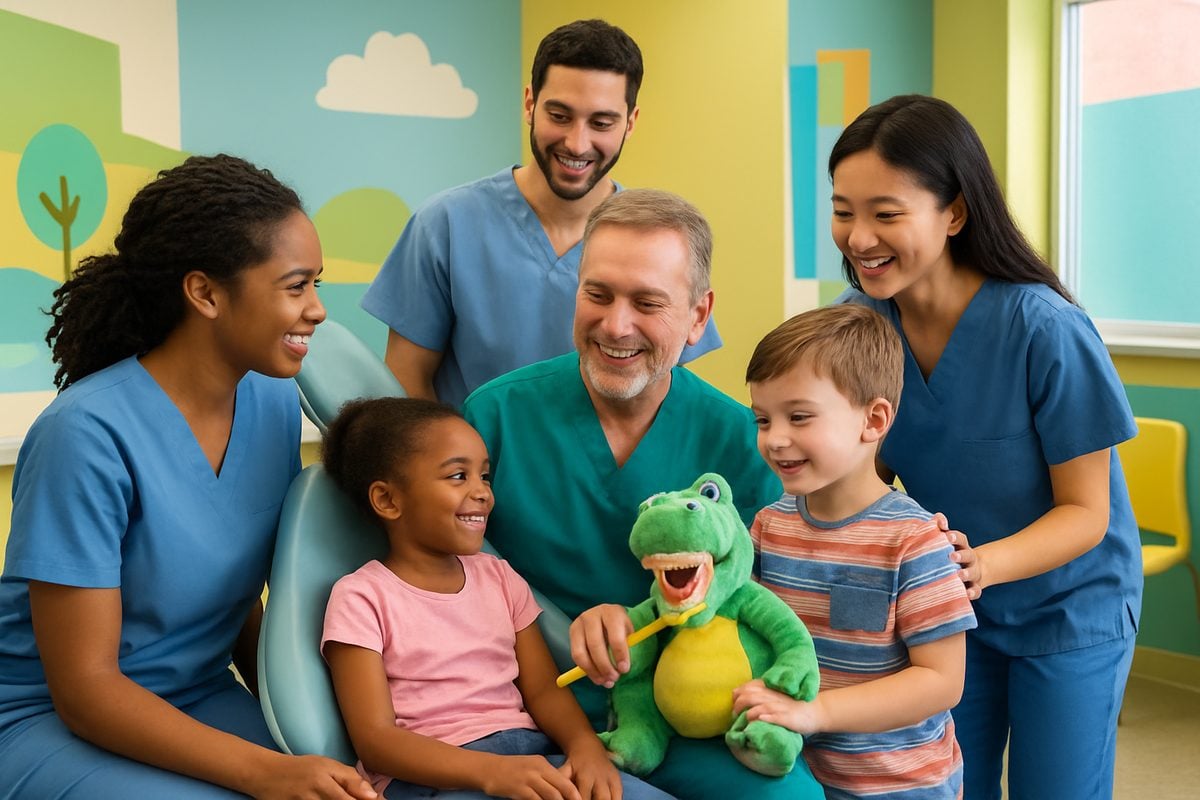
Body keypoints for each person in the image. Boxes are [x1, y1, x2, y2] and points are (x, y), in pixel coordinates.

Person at [0, 156, 376, 799]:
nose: (317, 311)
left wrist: (310, 733)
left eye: (316, 284)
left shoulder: (271, 401)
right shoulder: (85, 436)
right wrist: (269, 772)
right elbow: (86, 692)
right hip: (53, 718)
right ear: (204, 293)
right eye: (295, 286)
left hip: (200, 695)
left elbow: (239, 604)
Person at [463, 189, 824, 800]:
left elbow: (765, 597)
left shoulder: (741, 439)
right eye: (596, 294)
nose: (615, 324)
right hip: (527, 709)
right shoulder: (493, 417)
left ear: (698, 315)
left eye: (647, 302)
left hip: (694, 714)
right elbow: (446, 580)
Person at [829, 94, 1141, 800]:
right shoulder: (858, 329)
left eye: (886, 212)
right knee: (935, 785)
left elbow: (1087, 513)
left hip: (1069, 610)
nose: (858, 236)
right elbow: (859, 479)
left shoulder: (1044, 328)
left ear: (955, 213)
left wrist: (976, 565)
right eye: (844, 209)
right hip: (950, 614)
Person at [319, 397, 674, 800]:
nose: (482, 493)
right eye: (457, 476)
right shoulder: (361, 597)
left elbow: (543, 690)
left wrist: (585, 747)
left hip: (529, 759)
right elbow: (375, 740)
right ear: (388, 500)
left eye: (484, 476)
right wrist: (490, 772)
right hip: (433, 780)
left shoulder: (500, 578)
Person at [361, 18, 721, 408]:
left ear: (630, 123)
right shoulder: (445, 226)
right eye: (560, 116)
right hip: (481, 467)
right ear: (530, 103)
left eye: (601, 122)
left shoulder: (662, 240)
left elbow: (667, 388)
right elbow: (406, 383)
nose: (577, 143)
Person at [731, 304, 976, 799]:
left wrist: (816, 713)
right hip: (797, 775)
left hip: (900, 785)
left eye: (799, 417)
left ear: (874, 419)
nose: (775, 439)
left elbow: (942, 681)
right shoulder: (767, 526)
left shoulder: (915, 540)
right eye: (762, 419)